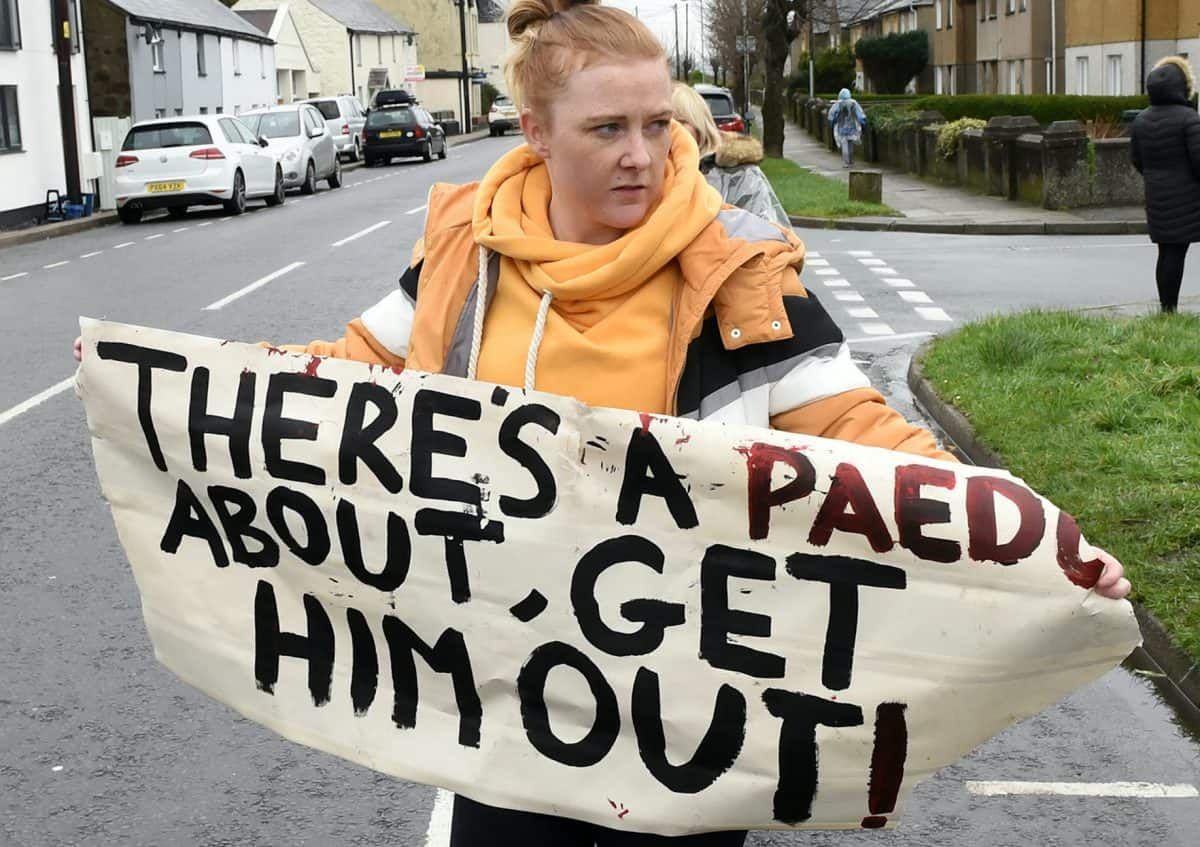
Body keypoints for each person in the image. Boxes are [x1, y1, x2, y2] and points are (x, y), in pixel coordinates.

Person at [73, 0, 1131, 841]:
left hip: (680, 697)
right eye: (606, 129)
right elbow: (351, 377)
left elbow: (853, 423)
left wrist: (1017, 521)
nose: (644, 155)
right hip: (501, 680)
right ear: (533, 132)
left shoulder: (737, 268)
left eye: (658, 126)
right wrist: (183, 390)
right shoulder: (462, 256)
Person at [1131, 55, 1200, 313]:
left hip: (1156, 194)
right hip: (1186, 197)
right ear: (1183, 85)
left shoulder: (1141, 120)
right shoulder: (1189, 119)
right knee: (1177, 253)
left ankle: (1166, 309)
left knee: (1165, 252)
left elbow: (1136, 159)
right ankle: (1169, 311)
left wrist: (1156, 176)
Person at [670, 82, 791, 229]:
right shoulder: (648, 180)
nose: (672, 131)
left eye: (680, 122)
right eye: (660, 124)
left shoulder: (741, 176)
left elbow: (767, 238)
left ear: (700, 126)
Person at [828, 88, 866, 168]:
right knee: (850, 144)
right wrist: (862, 123)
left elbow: (832, 115)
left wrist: (832, 123)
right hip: (852, 127)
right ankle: (851, 161)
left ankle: (846, 162)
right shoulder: (854, 103)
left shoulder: (838, 104)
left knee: (844, 145)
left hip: (841, 127)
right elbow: (860, 114)